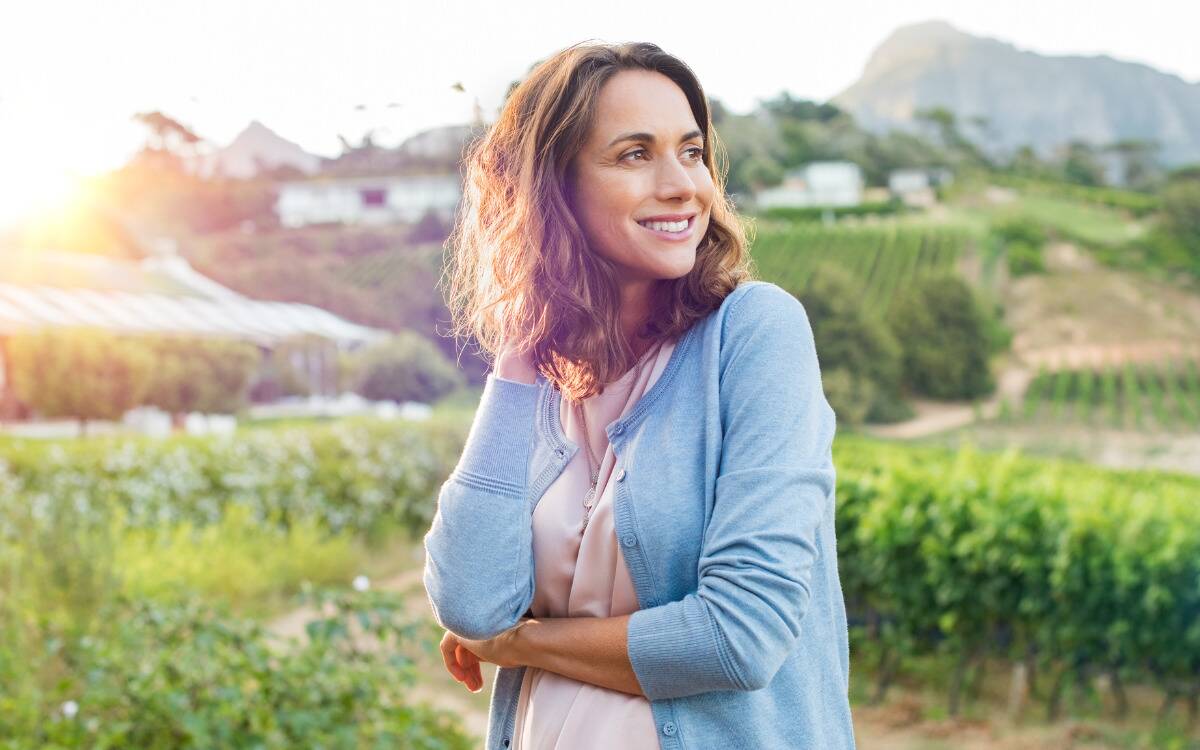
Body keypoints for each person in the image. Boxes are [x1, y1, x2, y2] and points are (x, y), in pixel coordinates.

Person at [423, 40, 856, 749]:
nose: (683, 184)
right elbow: (472, 604)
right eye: (634, 154)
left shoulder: (754, 332)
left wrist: (527, 643)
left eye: (691, 152)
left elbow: (738, 636)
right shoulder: (540, 385)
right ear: (552, 189)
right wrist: (519, 356)